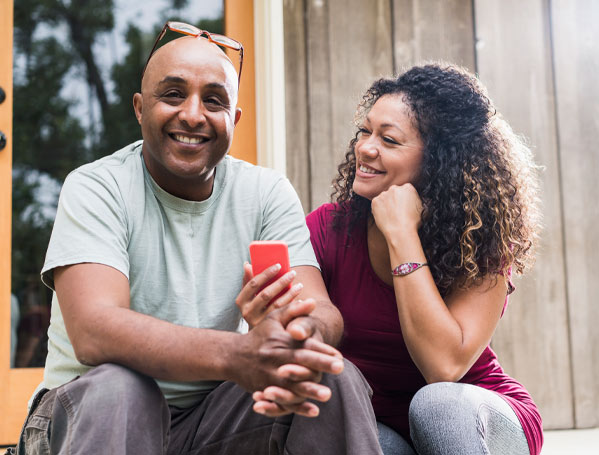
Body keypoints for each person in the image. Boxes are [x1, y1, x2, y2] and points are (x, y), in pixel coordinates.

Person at [11, 23, 382, 455]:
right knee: (123, 388)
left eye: (214, 100)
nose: (192, 114)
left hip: (210, 421)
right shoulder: (98, 185)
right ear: (139, 108)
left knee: (326, 376)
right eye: (173, 94)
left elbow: (321, 312)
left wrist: (293, 334)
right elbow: (95, 332)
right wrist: (238, 353)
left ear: (234, 119)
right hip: (86, 417)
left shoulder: (264, 192)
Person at [242, 63, 544, 455]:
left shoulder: (479, 240)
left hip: (473, 423)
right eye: (366, 131)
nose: (366, 148)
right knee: (361, 437)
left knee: (437, 404)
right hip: (381, 425)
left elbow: (443, 367)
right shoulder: (327, 230)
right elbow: (299, 338)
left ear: (439, 160)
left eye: (389, 140)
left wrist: (402, 234)